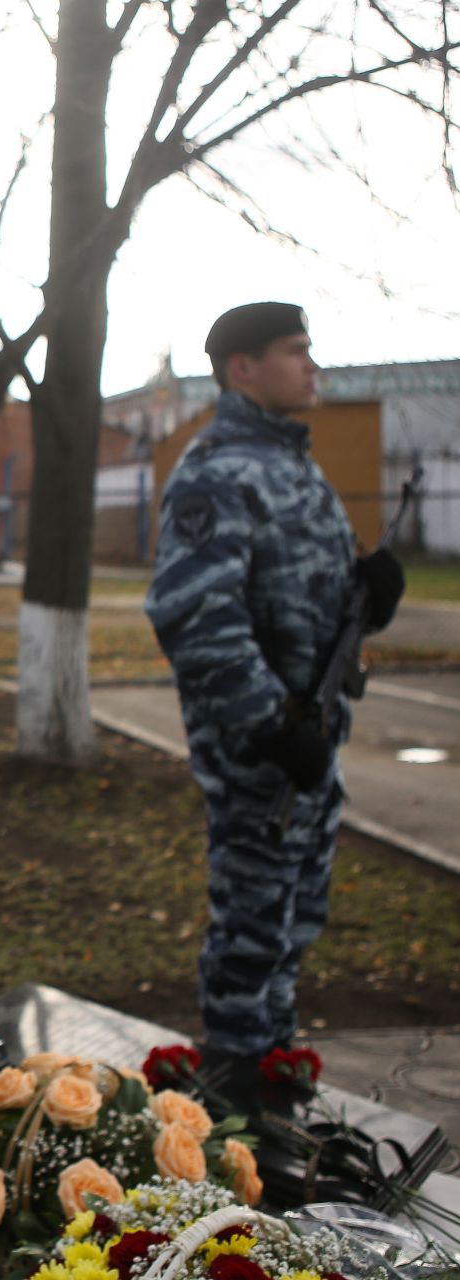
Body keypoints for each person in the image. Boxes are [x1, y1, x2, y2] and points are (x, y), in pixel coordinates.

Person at [143, 302, 403, 1107]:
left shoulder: (294, 465)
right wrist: (269, 725)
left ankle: (272, 1075)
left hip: (309, 736)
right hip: (261, 748)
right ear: (242, 368)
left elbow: (304, 593)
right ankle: (232, 1097)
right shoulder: (218, 470)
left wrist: (370, 591)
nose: (313, 366)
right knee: (252, 929)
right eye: (296, 352)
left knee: (293, 920)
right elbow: (194, 614)